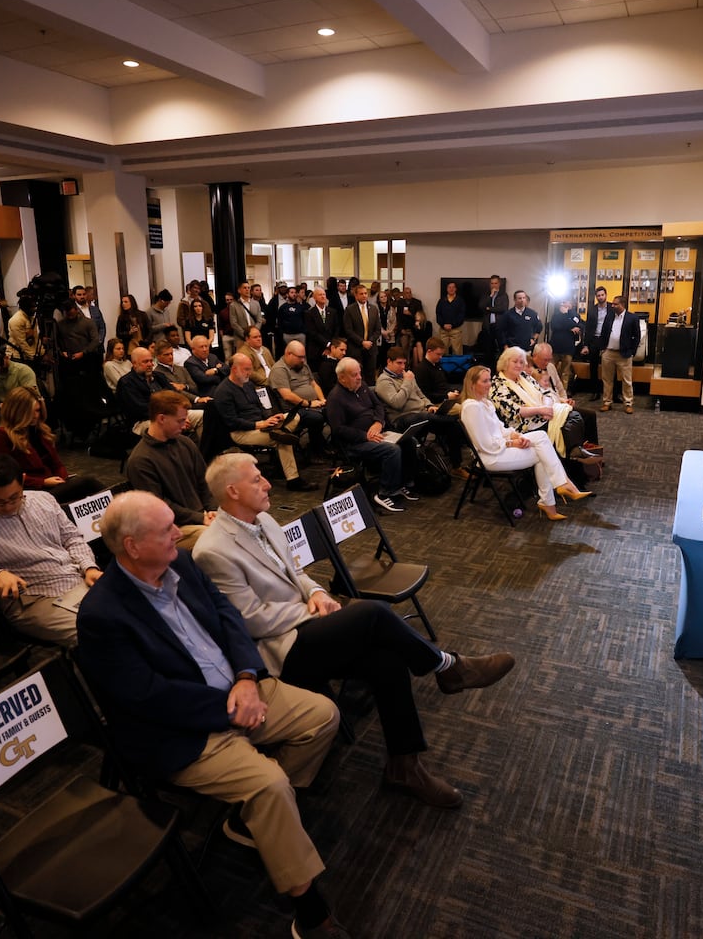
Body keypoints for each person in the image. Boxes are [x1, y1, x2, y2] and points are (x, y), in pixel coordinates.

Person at [74, 491, 349, 939]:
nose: (177, 533)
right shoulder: (102, 614)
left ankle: (250, 820)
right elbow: (147, 697)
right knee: (269, 784)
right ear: (131, 546)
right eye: (165, 529)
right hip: (184, 729)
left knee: (323, 715)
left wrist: (245, 676)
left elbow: (228, 617)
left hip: (240, 690)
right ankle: (310, 913)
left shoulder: (179, 563)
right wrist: (230, 710)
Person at [194, 453, 516, 807]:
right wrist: (308, 610)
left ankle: (404, 766)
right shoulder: (212, 551)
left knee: (388, 660)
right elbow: (249, 619)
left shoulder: (266, 521)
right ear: (232, 491)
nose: (268, 482)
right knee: (371, 614)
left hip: (305, 631)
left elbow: (293, 572)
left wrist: (316, 591)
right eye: (256, 479)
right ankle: (448, 667)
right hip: (278, 650)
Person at [0, 454, 101, 646]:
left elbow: (71, 538)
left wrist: (89, 567)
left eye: (14, 497)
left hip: (75, 579)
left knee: (133, 613)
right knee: (97, 634)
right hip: (34, 599)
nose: (8, 507)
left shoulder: (44, 500)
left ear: (22, 480)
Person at [459, 365, 591, 521]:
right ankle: (557, 492)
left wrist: (516, 435)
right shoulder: (471, 407)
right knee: (543, 452)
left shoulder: (485, 403)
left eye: (489, 380)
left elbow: (501, 428)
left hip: (499, 449)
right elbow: (484, 445)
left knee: (542, 439)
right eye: (485, 381)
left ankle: (555, 495)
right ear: (472, 384)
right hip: (490, 457)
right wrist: (511, 443)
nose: (489, 384)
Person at [125, 391, 218, 549]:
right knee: (218, 538)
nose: (186, 424)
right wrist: (200, 518)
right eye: (180, 421)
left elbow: (204, 482)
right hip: (173, 528)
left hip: (200, 517)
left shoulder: (185, 443)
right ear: (161, 418)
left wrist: (212, 510)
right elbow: (159, 507)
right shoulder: (140, 460)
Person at [212, 354, 315, 492]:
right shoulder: (223, 392)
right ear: (234, 369)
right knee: (282, 440)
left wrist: (272, 417)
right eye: (246, 369)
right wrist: (259, 425)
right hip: (241, 432)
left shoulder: (248, 384)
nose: (250, 373)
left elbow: (260, 407)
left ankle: (279, 431)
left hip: (261, 424)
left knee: (294, 416)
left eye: (250, 369)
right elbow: (232, 422)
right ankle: (293, 479)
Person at [327, 356, 414, 513]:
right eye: (354, 375)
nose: (359, 377)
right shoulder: (335, 398)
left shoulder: (362, 387)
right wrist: (364, 436)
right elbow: (338, 429)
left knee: (408, 441)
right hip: (354, 444)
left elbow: (378, 406)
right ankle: (384, 493)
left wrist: (378, 422)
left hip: (376, 433)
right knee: (392, 450)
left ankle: (402, 483)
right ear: (342, 378)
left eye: (359, 373)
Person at [491, 347, 592, 461]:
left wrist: (546, 407)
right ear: (504, 363)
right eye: (515, 362)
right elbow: (514, 410)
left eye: (521, 362)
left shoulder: (523, 376)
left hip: (542, 414)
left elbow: (545, 393)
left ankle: (578, 454)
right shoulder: (498, 385)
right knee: (573, 418)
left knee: (576, 416)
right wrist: (541, 410)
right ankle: (575, 456)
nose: (519, 365)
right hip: (524, 425)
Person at [375, 347, 464, 468]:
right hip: (401, 419)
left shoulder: (406, 376)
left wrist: (429, 405)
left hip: (421, 415)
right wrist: (407, 382)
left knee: (452, 427)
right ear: (389, 362)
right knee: (426, 416)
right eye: (399, 363)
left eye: (404, 363)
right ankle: (451, 419)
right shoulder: (384, 381)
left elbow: (421, 395)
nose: (402, 367)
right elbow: (397, 403)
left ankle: (457, 466)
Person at [0, 387, 70, 489]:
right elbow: (3, 475)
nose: (35, 415)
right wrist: (42, 482)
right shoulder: (2, 435)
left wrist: (64, 479)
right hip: (30, 491)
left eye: (38, 410)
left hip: (53, 484)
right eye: (30, 412)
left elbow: (57, 464)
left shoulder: (40, 431)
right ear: (18, 412)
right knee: (88, 483)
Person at [529, 343, 599, 449]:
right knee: (582, 417)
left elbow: (560, 388)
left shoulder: (550, 367)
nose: (547, 363)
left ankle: (592, 450)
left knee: (590, 415)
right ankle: (579, 451)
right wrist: (560, 402)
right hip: (550, 408)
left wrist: (566, 400)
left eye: (549, 359)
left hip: (560, 403)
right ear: (534, 356)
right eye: (544, 360)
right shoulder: (528, 373)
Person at [266, 341, 328, 459]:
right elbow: (287, 395)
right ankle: (315, 450)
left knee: (333, 410)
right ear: (289, 354)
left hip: (312, 405)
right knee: (317, 418)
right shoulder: (279, 370)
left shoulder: (302, 365)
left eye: (304, 357)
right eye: (300, 357)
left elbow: (314, 384)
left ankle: (324, 445)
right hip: (293, 409)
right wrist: (309, 403)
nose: (303, 360)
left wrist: (322, 400)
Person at [596, 293, 641, 413]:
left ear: (622, 305)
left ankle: (628, 403)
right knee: (607, 379)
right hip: (608, 352)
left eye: (615, 304)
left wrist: (632, 351)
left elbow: (637, 337)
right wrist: (602, 349)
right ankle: (607, 402)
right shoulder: (609, 316)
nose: (613, 306)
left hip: (624, 354)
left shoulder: (632, 318)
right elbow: (604, 333)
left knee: (627, 380)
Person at [151, 339, 209, 432]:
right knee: (209, 409)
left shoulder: (181, 369)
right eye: (166, 355)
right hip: (179, 405)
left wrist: (184, 386)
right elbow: (175, 393)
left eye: (171, 354)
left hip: (193, 401)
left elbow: (194, 387)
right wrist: (197, 399)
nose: (170, 357)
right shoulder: (158, 374)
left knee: (214, 405)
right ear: (158, 357)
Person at [341, 284, 382, 384]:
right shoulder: (350, 310)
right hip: (356, 349)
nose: (364, 296)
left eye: (365, 293)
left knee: (371, 376)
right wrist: (362, 342)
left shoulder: (373, 309)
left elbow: (378, 329)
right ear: (356, 296)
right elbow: (348, 330)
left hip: (371, 348)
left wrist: (370, 342)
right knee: (357, 376)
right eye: (361, 294)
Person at [116, 346, 163, 429]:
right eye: (145, 362)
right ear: (134, 364)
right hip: (143, 421)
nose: (150, 364)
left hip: (169, 414)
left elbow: (174, 395)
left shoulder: (159, 376)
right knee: (170, 425)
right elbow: (140, 410)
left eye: (151, 361)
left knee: (194, 416)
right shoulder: (127, 382)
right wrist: (168, 414)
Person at [412, 338, 460, 412]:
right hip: (436, 404)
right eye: (438, 354)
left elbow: (444, 383)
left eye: (441, 354)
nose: (441, 357)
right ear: (429, 351)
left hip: (445, 397)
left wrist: (453, 391)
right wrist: (447, 396)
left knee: (472, 401)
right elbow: (425, 395)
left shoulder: (437, 365)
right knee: (464, 409)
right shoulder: (421, 369)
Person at [547, 299, 583, 392]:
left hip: (568, 348)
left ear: (571, 304)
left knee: (565, 373)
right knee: (551, 370)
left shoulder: (575, 315)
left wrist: (566, 317)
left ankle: (563, 393)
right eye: (562, 302)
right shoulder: (556, 315)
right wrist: (568, 324)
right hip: (555, 346)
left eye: (566, 302)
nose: (563, 304)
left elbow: (577, 326)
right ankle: (550, 390)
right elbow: (554, 326)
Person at [582, 285, 611, 401]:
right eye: (598, 295)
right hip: (594, 339)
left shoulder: (612, 309)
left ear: (606, 295)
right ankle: (595, 392)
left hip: (607, 340)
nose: (600, 297)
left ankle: (611, 393)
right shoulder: (592, 309)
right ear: (596, 297)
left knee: (609, 367)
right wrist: (585, 344)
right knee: (593, 367)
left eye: (602, 295)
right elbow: (588, 328)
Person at [227, 281, 261, 358]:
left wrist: (254, 334)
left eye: (248, 288)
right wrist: (245, 335)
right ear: (239, 290)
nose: (247, 290)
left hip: (254, 338)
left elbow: (259, 320)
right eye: (244, 288)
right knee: (242, 360)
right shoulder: (233, 305)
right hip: (240, 339)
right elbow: (234, 323)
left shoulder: (256, 303)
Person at [304, 288, 342, 356]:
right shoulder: (309, 313)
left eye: (324, 294)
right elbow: (313, 333)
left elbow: (336, 329)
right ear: (314, 298)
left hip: (331, 349)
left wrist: (331, 344)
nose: (323, 296)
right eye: (320, 295)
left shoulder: (333, 312)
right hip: (316, 349)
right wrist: (327, 344)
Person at [480, 275, 509, 362]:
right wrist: (491, 296)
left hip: (499, 326)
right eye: (492, 283)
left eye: (495, 283)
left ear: (499, 284)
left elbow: (503, 308)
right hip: (488, 326)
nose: (494, 285)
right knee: (488, 349)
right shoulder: (486, 294)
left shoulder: (503, 295)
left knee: (501, 348)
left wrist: (489, 308)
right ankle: (490, 368)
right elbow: (481, 306)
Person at [435, 281, 466, 356]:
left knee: (457, 351)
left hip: (456, 330)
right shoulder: (442, 301)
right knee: (442, 351)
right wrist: (443, 324)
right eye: (449, 287)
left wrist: (453, 325)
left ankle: (457, 367)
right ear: (447, 289)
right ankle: (443, 367)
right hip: (443, 330)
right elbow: (438, 314)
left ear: (456, 289)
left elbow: (462, 315)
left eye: (453, 287)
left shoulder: (460, 301)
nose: (451, 289)